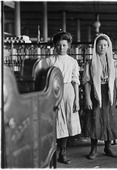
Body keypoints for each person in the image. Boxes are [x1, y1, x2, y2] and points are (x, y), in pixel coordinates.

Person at [82, 33, 117, 159]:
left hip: (110, 93)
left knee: (109, 119)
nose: (102, 47)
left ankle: (108, 147)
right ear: (96, 47)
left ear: (108, 46)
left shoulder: (113, 62)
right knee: (95, 119)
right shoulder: (90, 62)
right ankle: (93, 149)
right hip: (96, 92)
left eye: (105, 45)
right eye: (100, 45)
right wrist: (88, 98)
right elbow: (87, 81)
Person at [45, 31, 81, 164]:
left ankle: (63, 153)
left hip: (68, 91)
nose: (61, 48)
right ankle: (51, 152)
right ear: (55, 45)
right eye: (59, 45)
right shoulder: (50, 60)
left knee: (66, 121)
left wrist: (76, 99)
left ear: (69, 46)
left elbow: (75, 81)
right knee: (55, 121)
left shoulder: (72, 61)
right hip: (53, 91)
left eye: (64, 45)